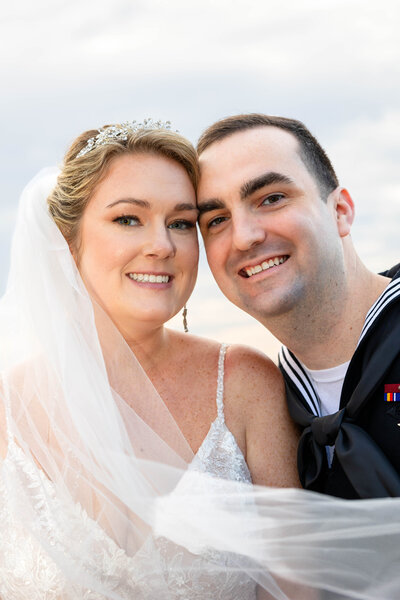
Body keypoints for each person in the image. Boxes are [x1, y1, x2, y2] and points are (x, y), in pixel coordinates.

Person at [1, 119, 400, 600]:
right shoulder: (9, 411)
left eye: (180, 223)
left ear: (341, 212)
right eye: (128, 218)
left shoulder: (246, 384)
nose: (162, 246)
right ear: (68, 244)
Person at [196, 113, 400, 500]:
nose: (244, 237)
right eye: (217, 219)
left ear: (340, 211)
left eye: (271, 199)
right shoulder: (263, 407)